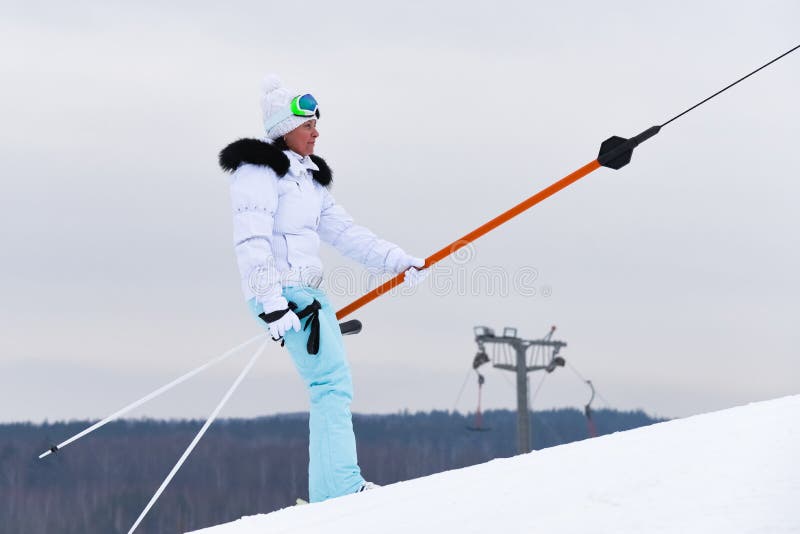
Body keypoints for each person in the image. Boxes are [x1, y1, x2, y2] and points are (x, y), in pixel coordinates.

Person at [218, 74, 427, 503]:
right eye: (307, 124)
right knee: (331, 384)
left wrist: (396, 261)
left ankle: (332, 489)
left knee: (333, 383)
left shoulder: (309, 180)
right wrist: (273, 304)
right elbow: (251, 240)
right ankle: (338, 489)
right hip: (285, 294)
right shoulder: (258, 172)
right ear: (282, 128)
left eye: (316, 123)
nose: (316, 131)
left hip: (309, 294)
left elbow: (346, 232)